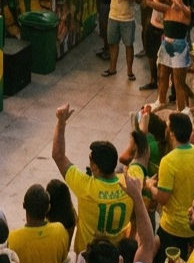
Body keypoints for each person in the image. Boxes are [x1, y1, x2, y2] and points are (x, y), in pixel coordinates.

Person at [51, 104, 134, 253]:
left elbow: (58, 156)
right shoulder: (129, 184)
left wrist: (61, 122)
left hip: (88, 255)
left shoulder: (86, 187)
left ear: (95, 167)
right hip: (115, 254)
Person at [145, 112, 194, 263]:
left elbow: (163, 198)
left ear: (172, 133)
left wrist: (150, 186)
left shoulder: (168, 161)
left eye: (167, 126)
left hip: (173, 228)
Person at [100, 0, 142, 80]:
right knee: (113, 43)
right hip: (113, 17)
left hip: (127, 19)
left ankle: (130, 71)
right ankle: (112, 68)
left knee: (128, 45)